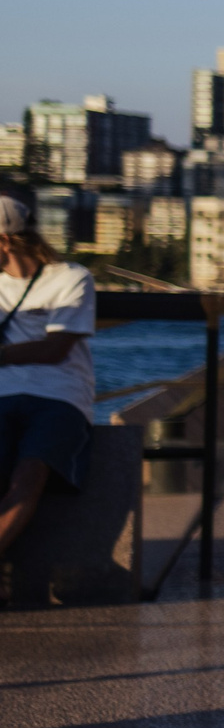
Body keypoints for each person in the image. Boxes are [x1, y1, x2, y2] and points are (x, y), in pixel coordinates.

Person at [0, 195, 95, 591]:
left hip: (59, 396)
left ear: (5, 240)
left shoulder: (70, 277)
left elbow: (55, 349)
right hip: (4, 396)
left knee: (30, 473)